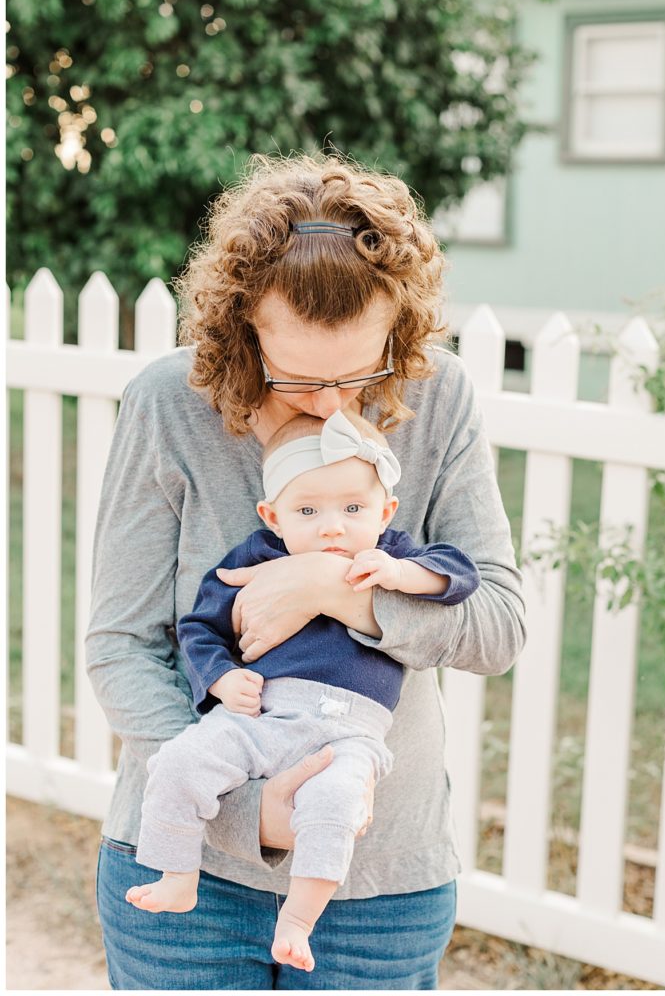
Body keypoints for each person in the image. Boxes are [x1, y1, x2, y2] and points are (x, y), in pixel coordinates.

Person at [86, 151, 525, 991]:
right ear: (242, 324)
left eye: (358, 374)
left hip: (380, 888)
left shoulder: (440, 399)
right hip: (192, 882)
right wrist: (251, 814)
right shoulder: (169, 405)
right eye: (300, 378)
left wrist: (331, 589)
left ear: (399, 328)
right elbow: (121, 646)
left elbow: (498, 625)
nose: (332, 407)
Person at [125, 408, 481, 974]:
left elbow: (460, 573)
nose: (333, 526)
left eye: (354, 509)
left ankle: (299, 918)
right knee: (180, 760)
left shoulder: (392, 554)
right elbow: (200, 626)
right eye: (308, 511)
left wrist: (399, 575)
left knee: (336, 804)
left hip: (351, 731)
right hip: (263, 715)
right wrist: (219, 677)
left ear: (384, 511)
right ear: (273, 515)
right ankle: (177, 875)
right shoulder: (256, 558)